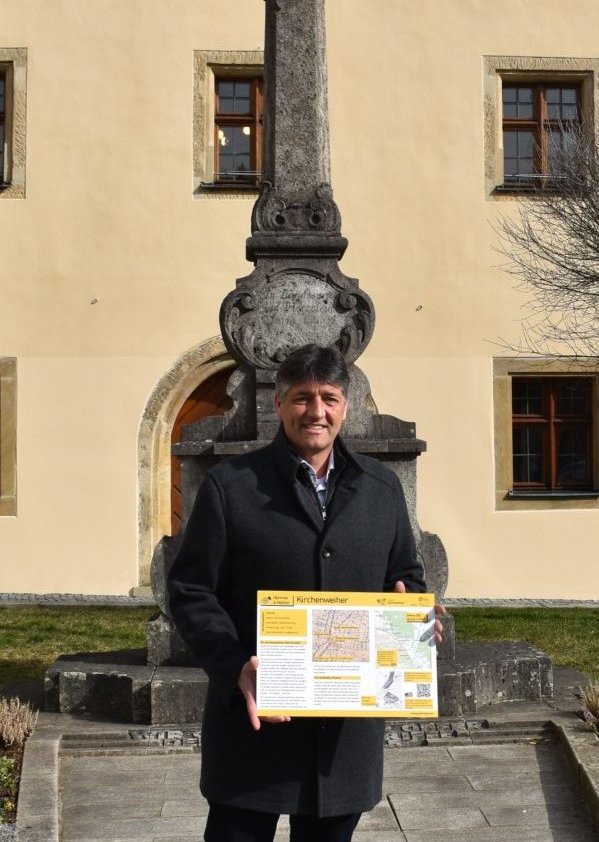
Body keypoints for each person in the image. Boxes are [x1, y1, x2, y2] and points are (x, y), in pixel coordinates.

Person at [167, 343, 438, 842]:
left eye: (329, 398)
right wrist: (233, 666)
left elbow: (406, 574)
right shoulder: (232, 486)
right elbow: (190, 589)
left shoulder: (380, 489)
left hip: (343, 741)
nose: (316, 412)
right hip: (254, 726)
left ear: (345, 405)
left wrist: (411, 621)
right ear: (278, 404)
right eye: (302, 398)